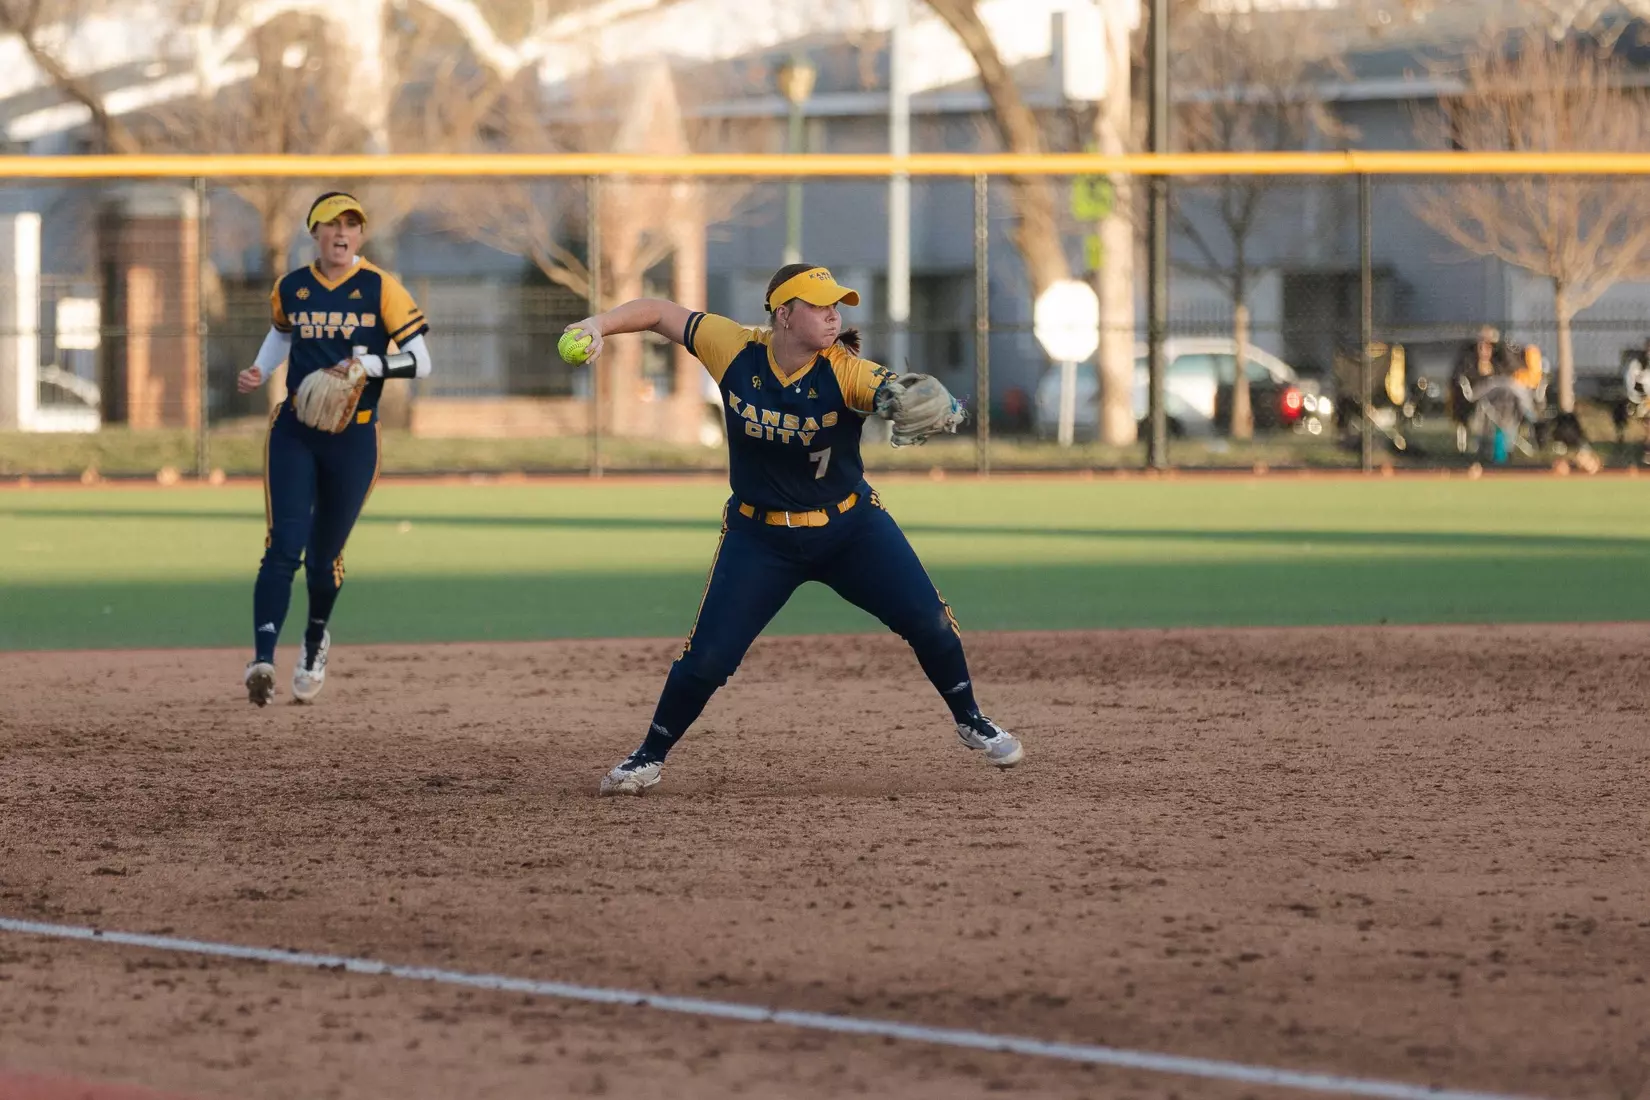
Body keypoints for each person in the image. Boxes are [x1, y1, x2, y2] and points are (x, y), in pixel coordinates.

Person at [564, 262, 1023, 796]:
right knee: (707, 659)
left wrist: (910, 398)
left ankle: (970, 718)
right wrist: (596, 324)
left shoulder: (846, 370)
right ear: (783, 314)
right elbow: (657, 312)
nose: (833, 316)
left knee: (930, 620)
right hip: (759, 539)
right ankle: (649, 755)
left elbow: (884, 389)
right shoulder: (733, 348)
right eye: (819, 305)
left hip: (850, 529)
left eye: (836, 306)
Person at [236, 191, 434, 706]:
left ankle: (313, 641)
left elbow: (421, 361)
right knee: (283, 547)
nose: (342, 232)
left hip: (354, 439)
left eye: (351, 224)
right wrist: (260, 368)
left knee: (323, 561)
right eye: (332, 224)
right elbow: (282, 335)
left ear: (360, 235)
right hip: (295, 432)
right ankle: (262, 660)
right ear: (315, 233)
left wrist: (372, 365)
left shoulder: (380, 287)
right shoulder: (292, 287)